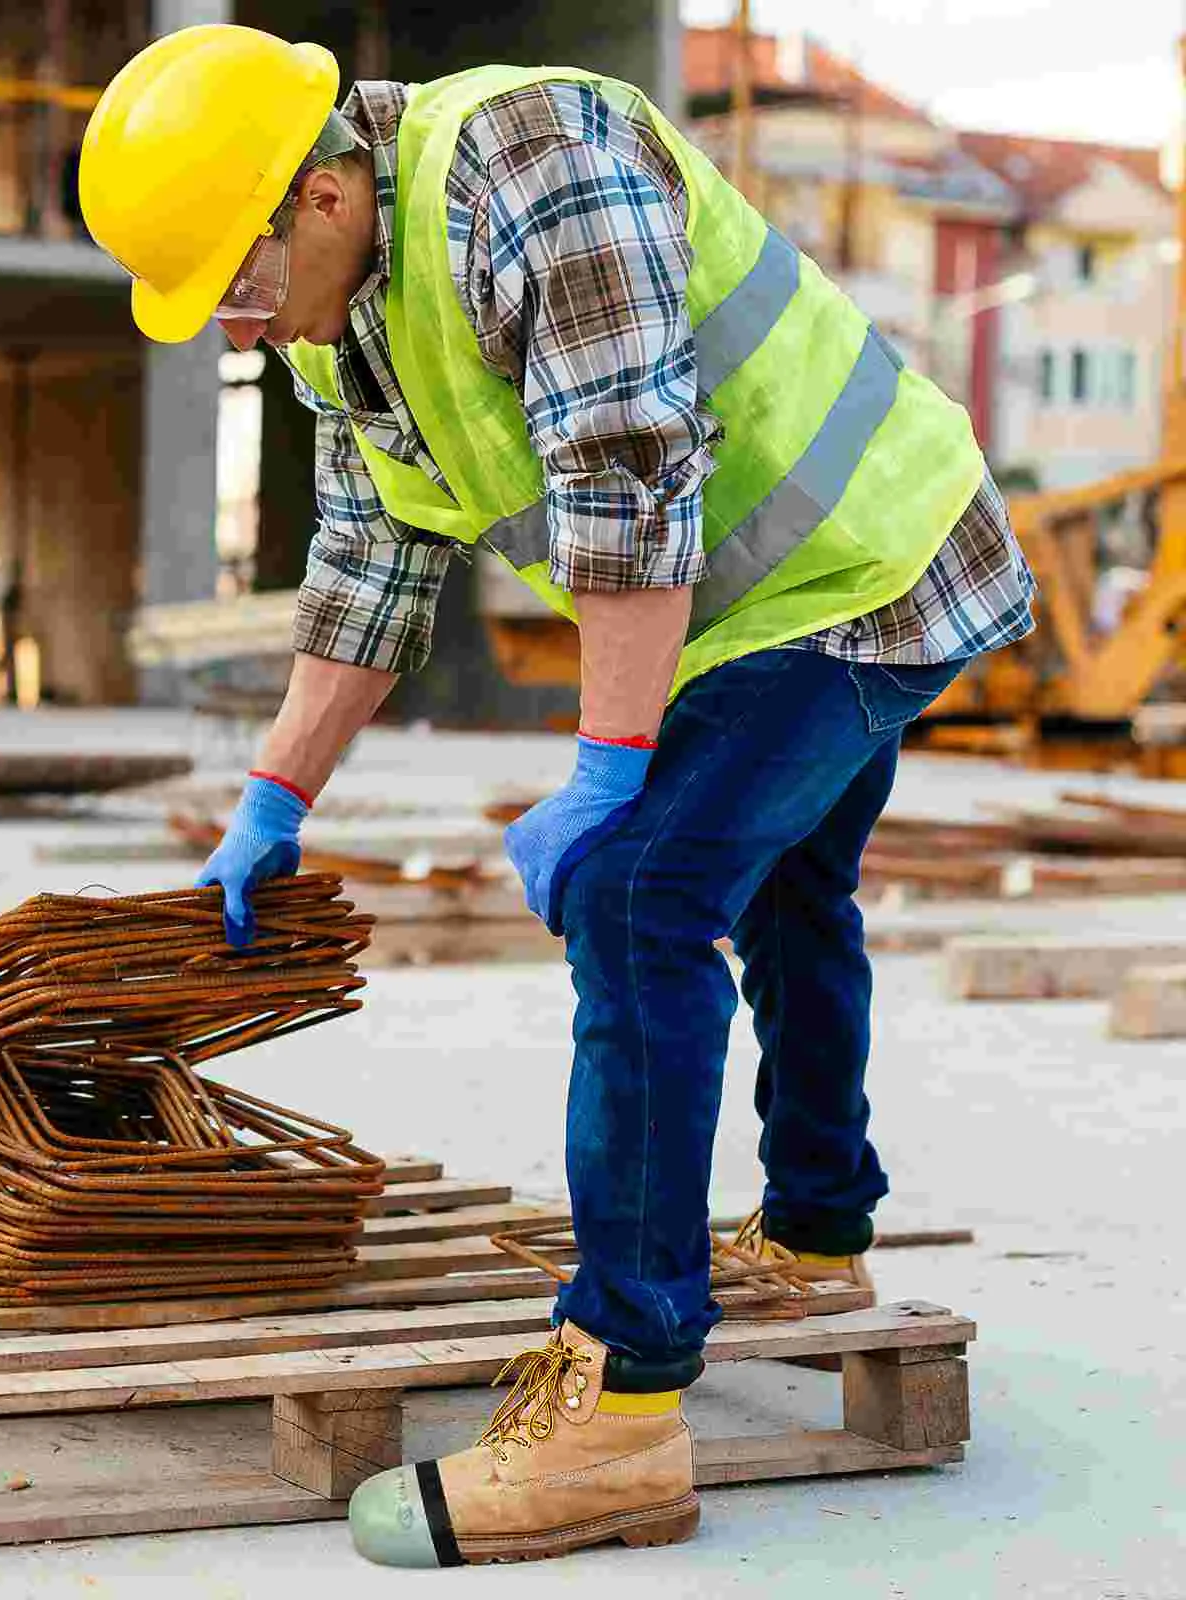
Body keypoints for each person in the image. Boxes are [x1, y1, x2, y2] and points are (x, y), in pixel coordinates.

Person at [78, 24, 1036, 1569]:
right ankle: (815, 1239)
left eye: (233, 277)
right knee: (783, 885)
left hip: (874, 571)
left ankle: (626, 1410)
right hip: (745, 612)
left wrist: (604, 778)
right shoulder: (342, 317)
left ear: (318, 195)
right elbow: (371, 563)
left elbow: (625, 474)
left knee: (641, 893)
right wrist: (273, 795)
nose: (230, 322)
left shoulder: (533, 165)